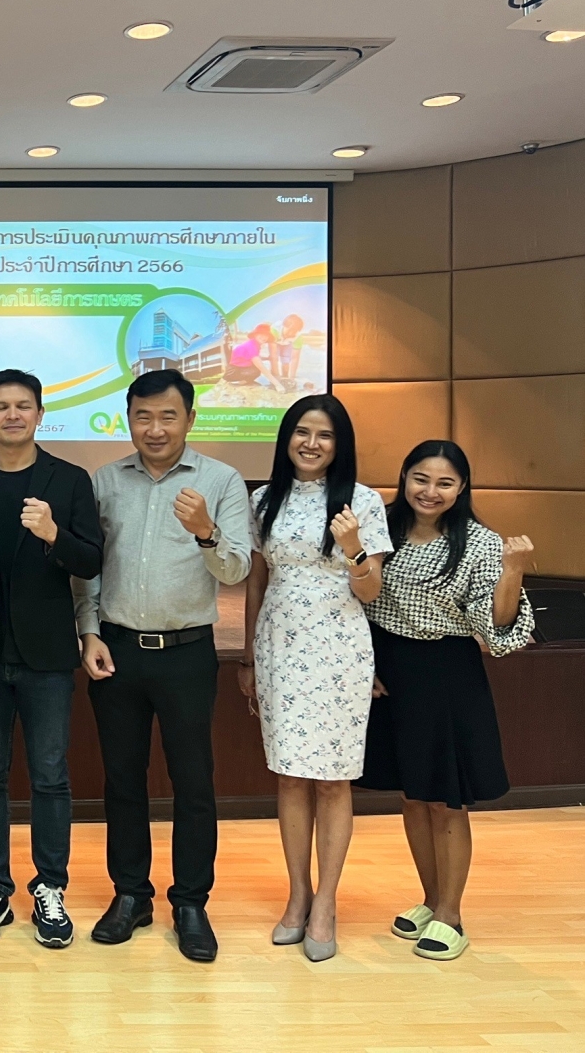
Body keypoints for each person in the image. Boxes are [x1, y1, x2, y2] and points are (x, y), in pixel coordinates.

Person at [72, 369, 252, 963]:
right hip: (117, 650)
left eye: (168, 416)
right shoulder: (105, 481)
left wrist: (205, 531)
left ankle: (191, 902)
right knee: (122, 780)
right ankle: (131, 895)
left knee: (193, 782)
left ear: (190, 419)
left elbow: (237, 569)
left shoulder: (221, 481)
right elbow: (89, 568)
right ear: (128, 420)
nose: (155, 429)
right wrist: (89, 631)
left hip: (187, 653)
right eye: (143, 417)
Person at [0, 369, 103, 947]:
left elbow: (91, 561)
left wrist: (55, 534)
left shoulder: (70, 479)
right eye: (1, 406)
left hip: (47, 658)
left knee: (50, 775)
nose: (12, 415)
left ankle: (50, 887)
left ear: (40, 414)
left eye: (23, 405)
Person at [360, 441, 535, 962]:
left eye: (444, 483)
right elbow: (357, 598)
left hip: (446, 673)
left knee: (445, 798)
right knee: (413, 795)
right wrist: (366, 665)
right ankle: (432, 900)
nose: (430, 491)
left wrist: (513, 569)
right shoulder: (380, 527)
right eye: (420, 478)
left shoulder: (479, 542)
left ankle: (452, 915)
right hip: (389, 670)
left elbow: (498, 629)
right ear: (404, 478)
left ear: (462, 488)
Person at [241, 394, 391, 962]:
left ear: (339, 444)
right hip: (279, 645)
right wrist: (248, 658)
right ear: (286, 438)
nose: (311, 443)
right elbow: (256, 581)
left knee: (332, 780)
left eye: (324, 435)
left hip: (339, 649)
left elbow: (370, 592)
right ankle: (298, 894)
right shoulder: (264, 499)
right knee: (288, 776)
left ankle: (326, 902)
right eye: (301, 432)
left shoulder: (363, 501)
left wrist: (354, 549)